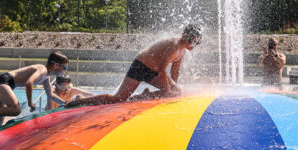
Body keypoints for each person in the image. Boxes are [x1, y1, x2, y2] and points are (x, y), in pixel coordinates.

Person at [66, 24, 202, 108]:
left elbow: (175, 71)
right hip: (140, 66)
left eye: (196, 42)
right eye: (191, 40)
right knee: (118, 99)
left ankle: (144, 95)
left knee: (177, 92)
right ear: (183, 35)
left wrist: (173, 89)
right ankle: (80, 100)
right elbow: (162, 69)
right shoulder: (174, 46)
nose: (192, 45)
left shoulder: (182, 51)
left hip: (153, 71)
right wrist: (167, 91)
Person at [0, 51, 69, 143]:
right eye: (64, 68)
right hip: (4, 82)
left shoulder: (46, 76)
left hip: (4, 84)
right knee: (16, 109)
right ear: (56, 65)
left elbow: (50, 94)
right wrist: (30, 103)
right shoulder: (42, 70)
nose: (64, 71)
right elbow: (29, 82)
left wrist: (65, 103)